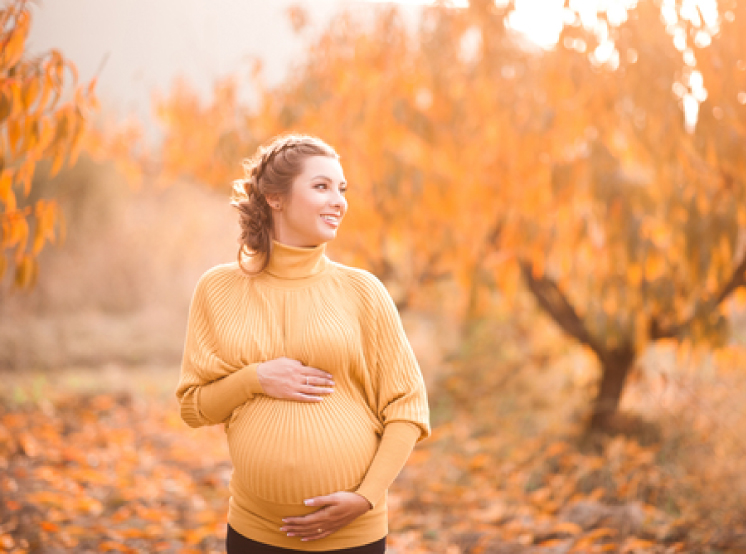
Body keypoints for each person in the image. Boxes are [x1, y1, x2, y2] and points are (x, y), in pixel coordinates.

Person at [175, 133, 430, 554]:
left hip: (352, 535)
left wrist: (365, 498)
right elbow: (193, 407)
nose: (339, 201)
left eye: (342, 189)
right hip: (256, 533)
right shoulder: (218, 289)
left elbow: (407, 407)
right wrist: (254, 379)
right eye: (322, 186)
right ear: (275, 197)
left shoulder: (363, 290)